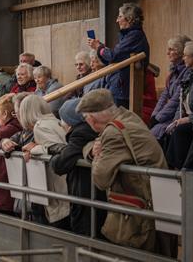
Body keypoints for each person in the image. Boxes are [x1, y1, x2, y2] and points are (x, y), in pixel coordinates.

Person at [77, 89, 167, 251]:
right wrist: (92, 150)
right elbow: (96, 145)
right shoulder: (127, 117)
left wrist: (97, 155)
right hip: (158, 200)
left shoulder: (114, 132)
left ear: (90, 119)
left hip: (142, 212)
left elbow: (100, 179)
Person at [48, 98, 106, 236]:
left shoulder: (80, 134)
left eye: (62, 119)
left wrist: (55, 156)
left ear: (70, 120)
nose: (60, 124)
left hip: (86, 195)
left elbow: (59, 165)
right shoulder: (86, 131)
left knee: (86, 235)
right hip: (92, 194)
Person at [18, 95, 70, 229]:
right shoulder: (55, 121)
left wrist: (35, 148)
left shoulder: (41, 126)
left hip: (56, 186)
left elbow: (57, 149)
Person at [87, 3, 149, 108]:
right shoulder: (128, 35)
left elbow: (113, 56)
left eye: (120, 17)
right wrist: (100, 47)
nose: (117, 20)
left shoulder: (135, 35)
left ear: (129, 19)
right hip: (119, 87)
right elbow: (111, 60)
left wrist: (99, 47)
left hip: (123, 88)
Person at [150, 35, 191, 148]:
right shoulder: (173, 72)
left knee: (158, 132)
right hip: (168, 115)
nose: (167, 53)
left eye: (171, 49)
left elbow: (176, 100)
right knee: (151, 131)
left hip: (179, 115)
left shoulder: (187, 72)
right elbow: (164, 96)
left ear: (181, 53)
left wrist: (158, 118)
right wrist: (154, 116)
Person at [165, 41, 193, 169]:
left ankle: (182, 170)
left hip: (191, 121)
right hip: (186, 119)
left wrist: (188, 119)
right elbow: (180, 103)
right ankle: (172, 168)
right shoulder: (189, 76)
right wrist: (176, 120)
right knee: (169, 130)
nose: (183, 58)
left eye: (186, 56)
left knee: (180, 131)